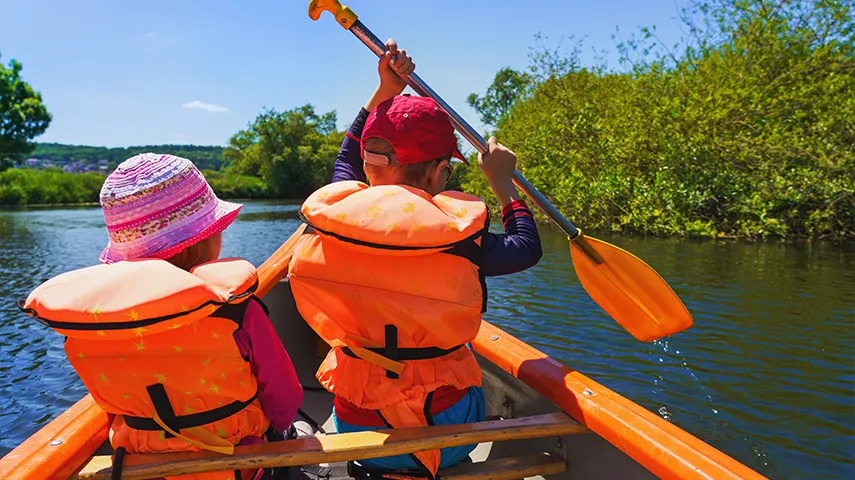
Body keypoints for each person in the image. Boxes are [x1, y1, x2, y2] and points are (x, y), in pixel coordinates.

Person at [287, 40, 542, 478]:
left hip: (359, 429)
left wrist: (383, 90)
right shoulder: (461, 239)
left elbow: (346, 158)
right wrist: (504, 186)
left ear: (369, 163)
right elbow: (526, 247)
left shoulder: (335, 217)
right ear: (441, 171)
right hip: (449, 435)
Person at [19, 153, 303, 480]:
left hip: (143, 467)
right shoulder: (235, 311)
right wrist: (279, 429)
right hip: (235, 465)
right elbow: (285, 396)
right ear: (204, 241)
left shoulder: (93, 325)